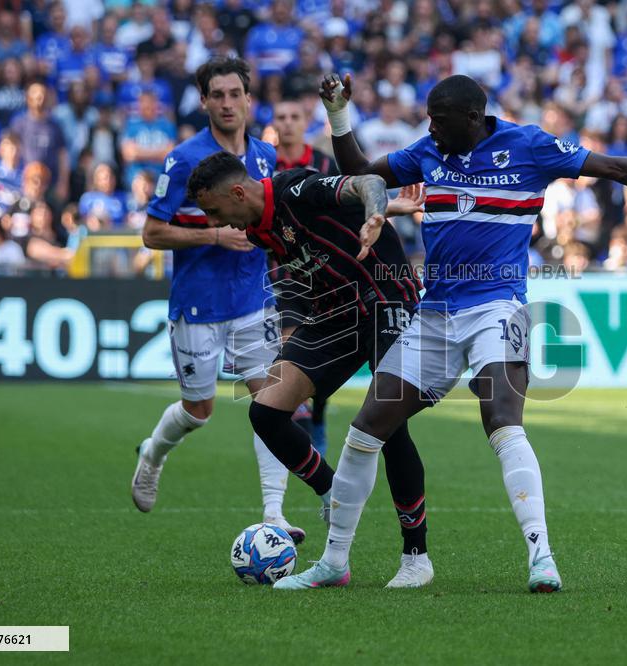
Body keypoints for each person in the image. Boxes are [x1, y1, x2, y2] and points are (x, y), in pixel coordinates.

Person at [274, 73, 627, 593]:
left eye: (439, 120)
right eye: (429, 120)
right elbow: (362, 174)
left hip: (496, 307)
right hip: (435, 313)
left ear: (473, 118)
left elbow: (614, 167)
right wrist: (338, 114)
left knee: (502, 421)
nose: (430, 129)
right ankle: (334, 563)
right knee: (365, 430)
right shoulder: (427, 152)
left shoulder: (528, 146)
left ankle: (542, 558)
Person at [187, 152, 434, 588]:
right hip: (334, 315)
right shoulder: (257, 229)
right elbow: (298, 274)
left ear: (238, 193)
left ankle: (416, 557)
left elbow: (368, 183)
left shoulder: (296, 190)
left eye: (214, 211)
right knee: (265, 411)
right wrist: (291, 330)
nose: (215, 223)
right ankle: (333, 493)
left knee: (389, 424)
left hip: (385, 297)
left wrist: (378, 213)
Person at [131, 57, 302, 543]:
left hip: (253, 300)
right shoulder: (184, 159)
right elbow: (151, 233)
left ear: (248, 99)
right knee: (197, 412)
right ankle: (153, 453)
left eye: (235, 94)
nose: (227, 103)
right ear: (204, 101)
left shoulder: (265, 156)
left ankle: (275, 515)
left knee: (272, 404)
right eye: (218, 95)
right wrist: (213, 235)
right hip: (198, 304)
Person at [271, 96, 340, 455]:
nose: (287, 123)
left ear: (304, 122)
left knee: (322, 359)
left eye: (294, 116)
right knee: (292, 353)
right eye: (281, 117)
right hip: (284, 274)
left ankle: (317, 416)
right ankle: (299, 434)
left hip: (323, 273)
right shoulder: (266, 165)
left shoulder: (324, 163)